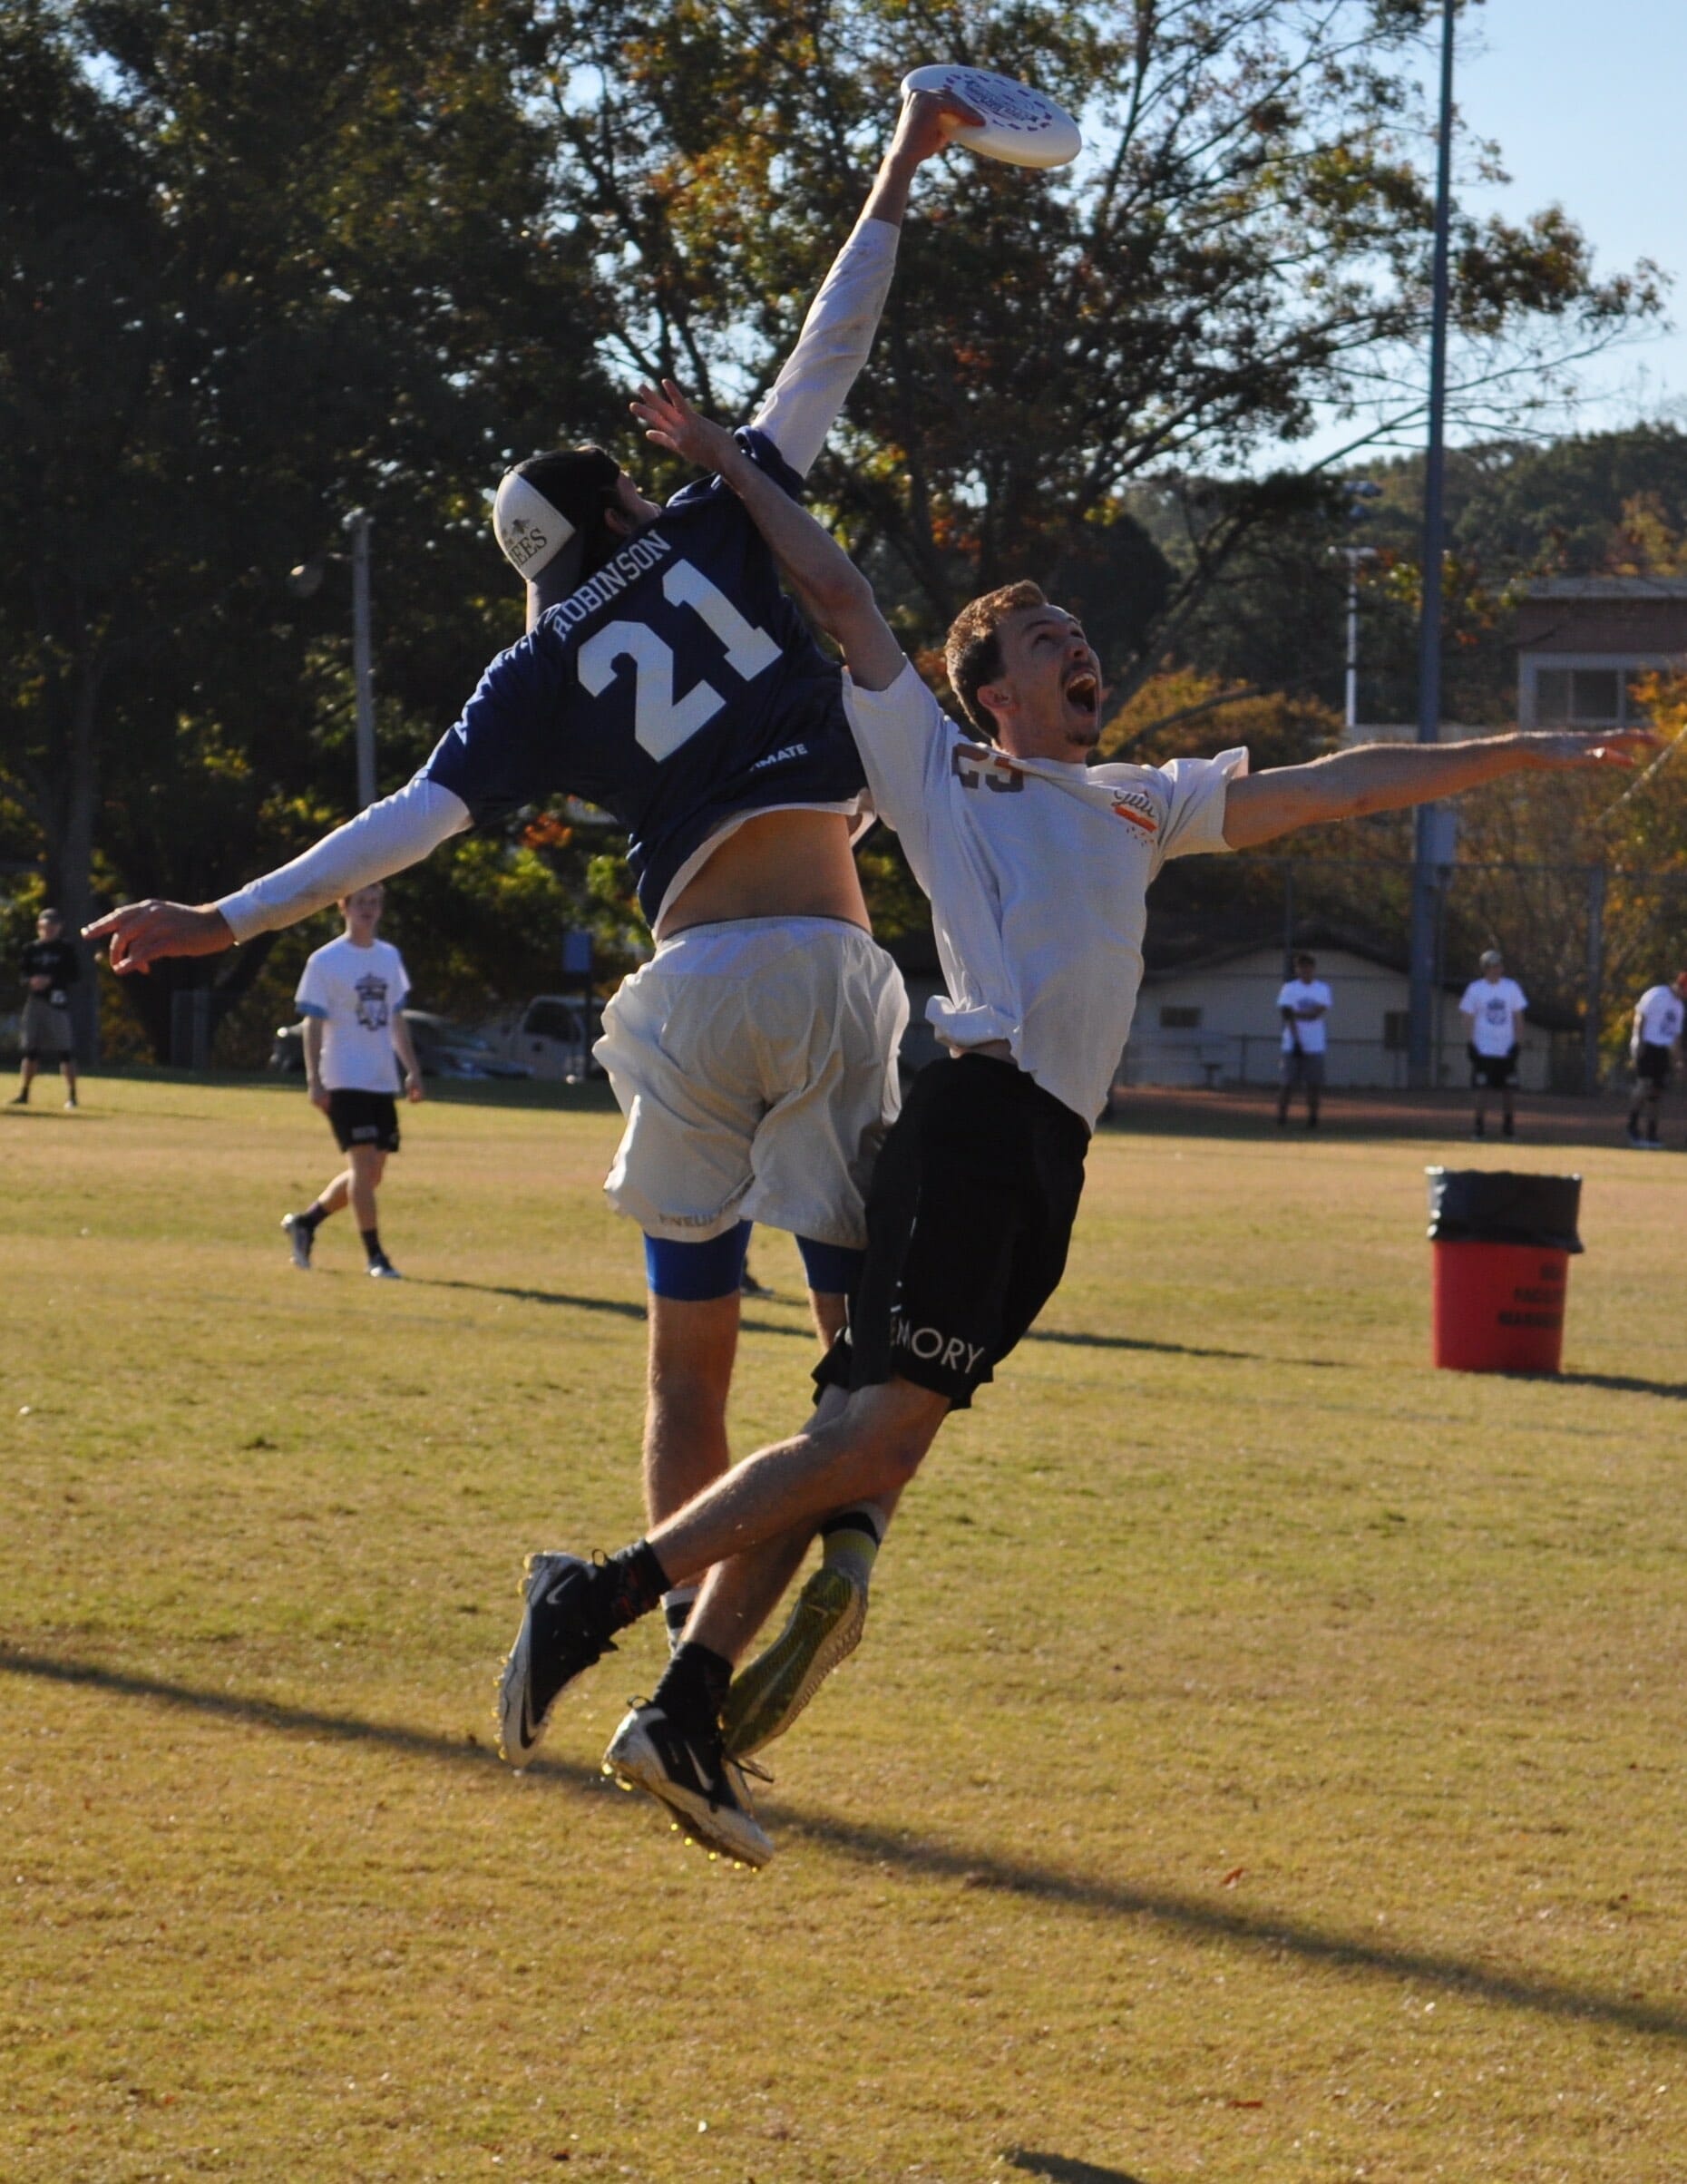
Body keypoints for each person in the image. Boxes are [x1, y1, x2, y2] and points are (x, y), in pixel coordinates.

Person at [489, 379, 1655, 1868]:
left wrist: (1520, 755)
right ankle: (602, 1611)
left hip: (1049, 1161)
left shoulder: (1136, 801)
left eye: (1079, 636)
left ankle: (684, 1703)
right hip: (975, 1124)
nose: (1078, 649)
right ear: (994, 692)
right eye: (1046, 641)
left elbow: (1334, 788)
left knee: (873, 1441)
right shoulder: (935, 768)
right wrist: (729, 462)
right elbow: (837, 587)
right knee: (874, 1434)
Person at [83, 93, 974, 1710]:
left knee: (683, 1367)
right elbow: (827, 353)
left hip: (688, 991)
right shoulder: (712, 507)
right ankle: (772, 1603)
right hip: (830, 967)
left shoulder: (537, 656)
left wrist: (223, 915)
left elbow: (408, 822)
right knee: (852, 1365)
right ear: (626, 504)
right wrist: (899, 173)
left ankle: (662, 1658)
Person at [279, 884, 424, 1278]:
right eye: (361, 902)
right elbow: (312, 1024)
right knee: (362, 1167)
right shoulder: (325, 961)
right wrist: (314, 1080)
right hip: (343, 1077)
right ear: (344, 906)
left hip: (380, 1080)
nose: (369, 910)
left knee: (373, 1174)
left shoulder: (389, 957)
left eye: (375, 902)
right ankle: (376, 1256)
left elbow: (395, 1019)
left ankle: (306, 1222)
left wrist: (411, 1069)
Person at [11, 909, 82, 1109]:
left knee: (65, 1051)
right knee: (30, 1051)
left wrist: (51, 980)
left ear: (59, 927)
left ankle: (72, 1095)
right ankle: (24, 1092)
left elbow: (74, 975)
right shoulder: (31, 949)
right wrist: (32, 981)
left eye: (53, 926)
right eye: (45, 926)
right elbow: (23, 975)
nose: (49, 930)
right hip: (35, 1002)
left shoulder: (65, 950)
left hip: (57, 1004)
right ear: (39, 927)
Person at [1459, 948, 1527, 1140]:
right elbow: (1467, 1017)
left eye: (1499, 965)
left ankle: (1508, 1127)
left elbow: (1518, 1017)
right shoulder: (1475, 989)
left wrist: (1517, 1043)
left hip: (1506, 1049)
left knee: (1509, 1090)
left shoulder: (1511, 988)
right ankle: (1479, 1127)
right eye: (1494, 966)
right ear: (1486, 968)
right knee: (1482, 1089)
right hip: (1484, 1049)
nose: (1498, 969)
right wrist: (1471, 1043)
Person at [1626, 970, 1687, 1147]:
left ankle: (1651, 1133)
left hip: (1662, 1050)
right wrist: (1639, 1042)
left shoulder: (1679, 1007)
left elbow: (1675, 1036)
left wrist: (1679, 1061)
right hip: (1647, 1044)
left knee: (1656, 1092)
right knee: (1644, 1084)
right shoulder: (1657, 994)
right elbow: (1641, 1017)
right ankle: (1632, 1125)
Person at [1275, 949, 1331, 1127]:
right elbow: (1286, 1014)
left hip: (1315, 1044)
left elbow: (1316, 1013)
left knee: (1313, 1084)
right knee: (1287, 1083)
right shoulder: (1289, 988)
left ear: (1313, 969)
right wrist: (1297, 1041)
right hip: (1292, 1043)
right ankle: (1282, 1118)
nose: (1304, 971)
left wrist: (1297, 1014)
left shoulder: (1322, 989)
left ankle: (1313, 1118)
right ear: (1296, 969)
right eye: (1300, 968)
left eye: (1307, 967)